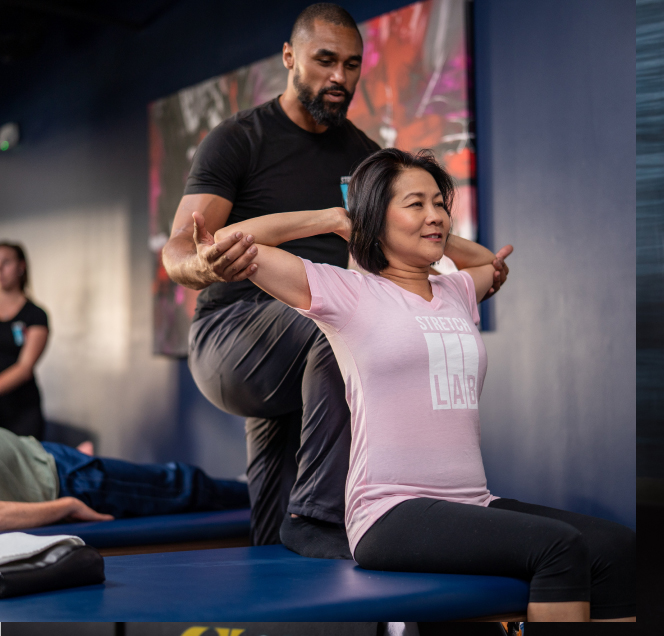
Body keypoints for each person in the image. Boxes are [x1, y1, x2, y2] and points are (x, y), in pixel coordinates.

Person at [209, 148, 635, 622]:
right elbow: (228, 239)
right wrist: (334, 217)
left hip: (472, 504)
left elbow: (488, 263)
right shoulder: (347, 293)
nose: (435, 216)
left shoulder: (454, 290)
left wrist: (426, 230)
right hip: (390, 512)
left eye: (440, 203)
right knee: (558, 548)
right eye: (416, 204)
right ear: (373, 215)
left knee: (617, 547)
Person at [161, 3, 510, 557]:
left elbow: (419, 233)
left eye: (351, 65)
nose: (339, 78)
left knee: (275, 531)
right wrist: (202, 265)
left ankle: (293, 574)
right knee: (344, 328)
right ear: (289, 57)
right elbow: (181, 249)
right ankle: (323, 515)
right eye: (325, 61)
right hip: (233, 340)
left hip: (307, 347)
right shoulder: (238, 139)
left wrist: (485, 261)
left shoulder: (365, 157)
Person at [0, 427, 250, 532]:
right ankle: (254, 492)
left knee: (176, 483)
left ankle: (252, 489)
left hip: (40, 456)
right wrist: (68, 505)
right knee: (180, 485)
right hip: (66, 481)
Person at [0, 242, 49, 440]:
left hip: (21, 411)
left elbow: (24, 368)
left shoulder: (35, 315)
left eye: (6, 263)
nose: (0, 269)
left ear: (21, 267)